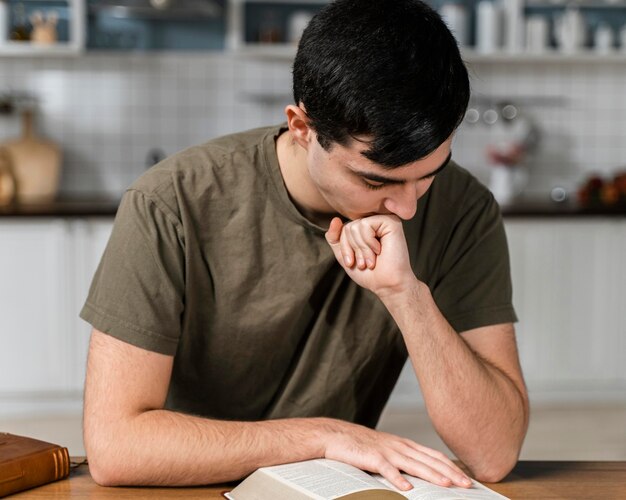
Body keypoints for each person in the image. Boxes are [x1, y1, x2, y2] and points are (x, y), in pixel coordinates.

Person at [81, 0, 529, 492]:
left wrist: (407, 295)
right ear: (301, 128)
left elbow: (493, 452)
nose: (407, 208)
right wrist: (325, 436)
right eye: (374, 180)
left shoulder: (464, 207)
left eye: (428, 175)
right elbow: (115, 447)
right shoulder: (171, 203)